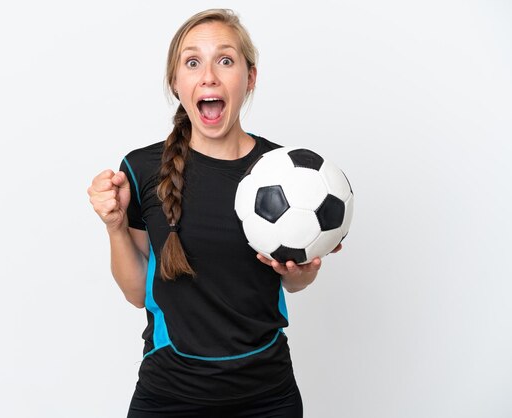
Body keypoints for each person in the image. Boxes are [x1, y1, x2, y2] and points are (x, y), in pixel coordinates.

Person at [87, 8, 341, 417]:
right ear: (176, 82)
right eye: (192, 62)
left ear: (250, 78)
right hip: (168, 395)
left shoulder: (285, 171)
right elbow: (138, 294)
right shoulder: (142, 168)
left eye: (225, 60)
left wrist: (303, 273)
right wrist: (115, 227)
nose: (209, 76)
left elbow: (293, 284)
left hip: (267, 394)